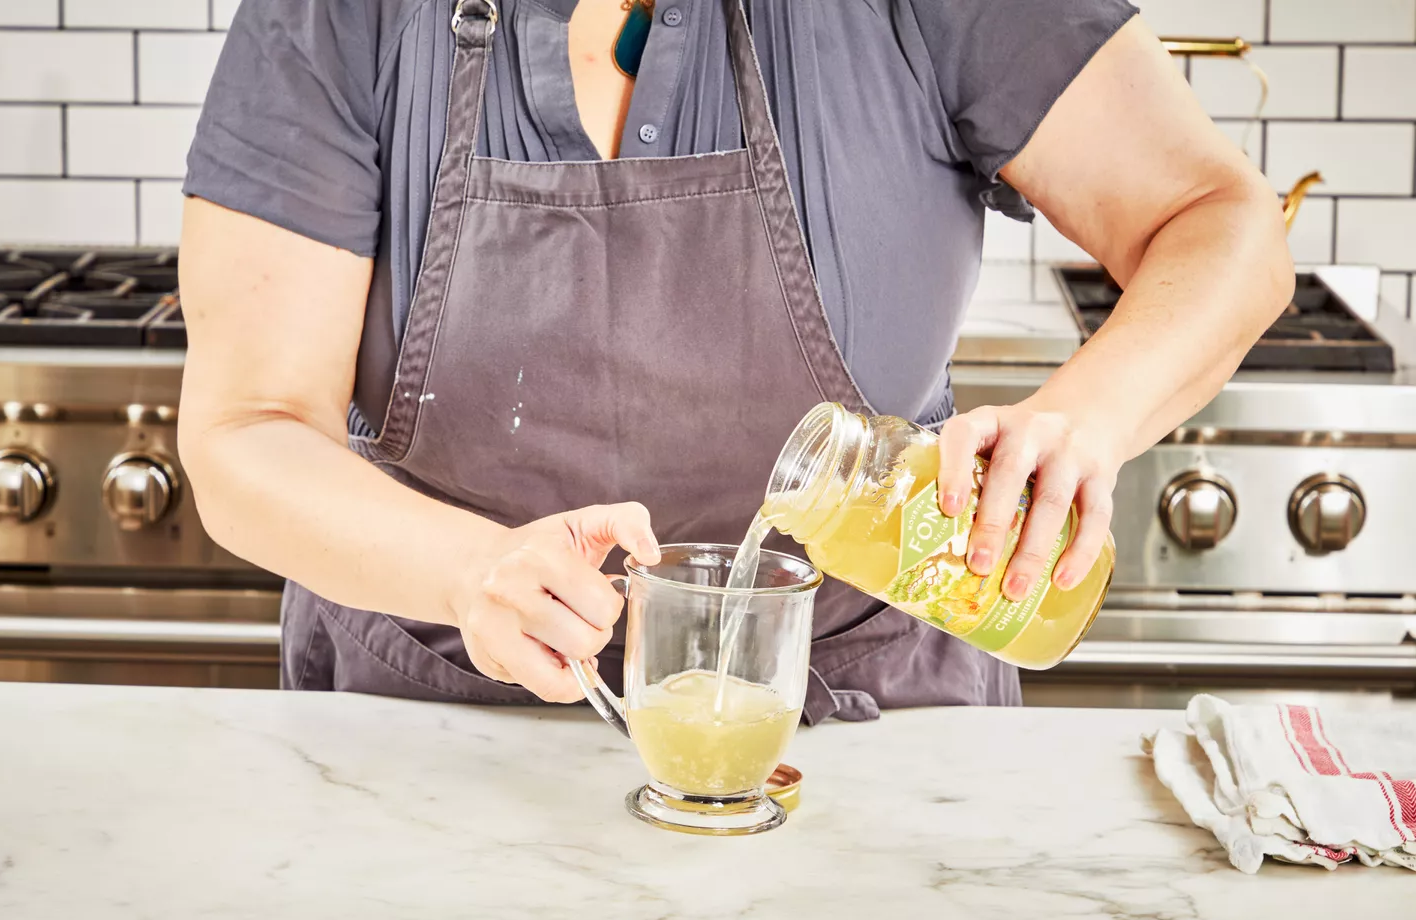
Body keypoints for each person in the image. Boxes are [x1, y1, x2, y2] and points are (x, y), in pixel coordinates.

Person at [177, 0, 1292, 722]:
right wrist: (467, 572)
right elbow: (247, 430)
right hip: (432, 722)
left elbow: (1218, 217)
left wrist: (1085, 419)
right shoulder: (340, 17)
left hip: (858, 734)